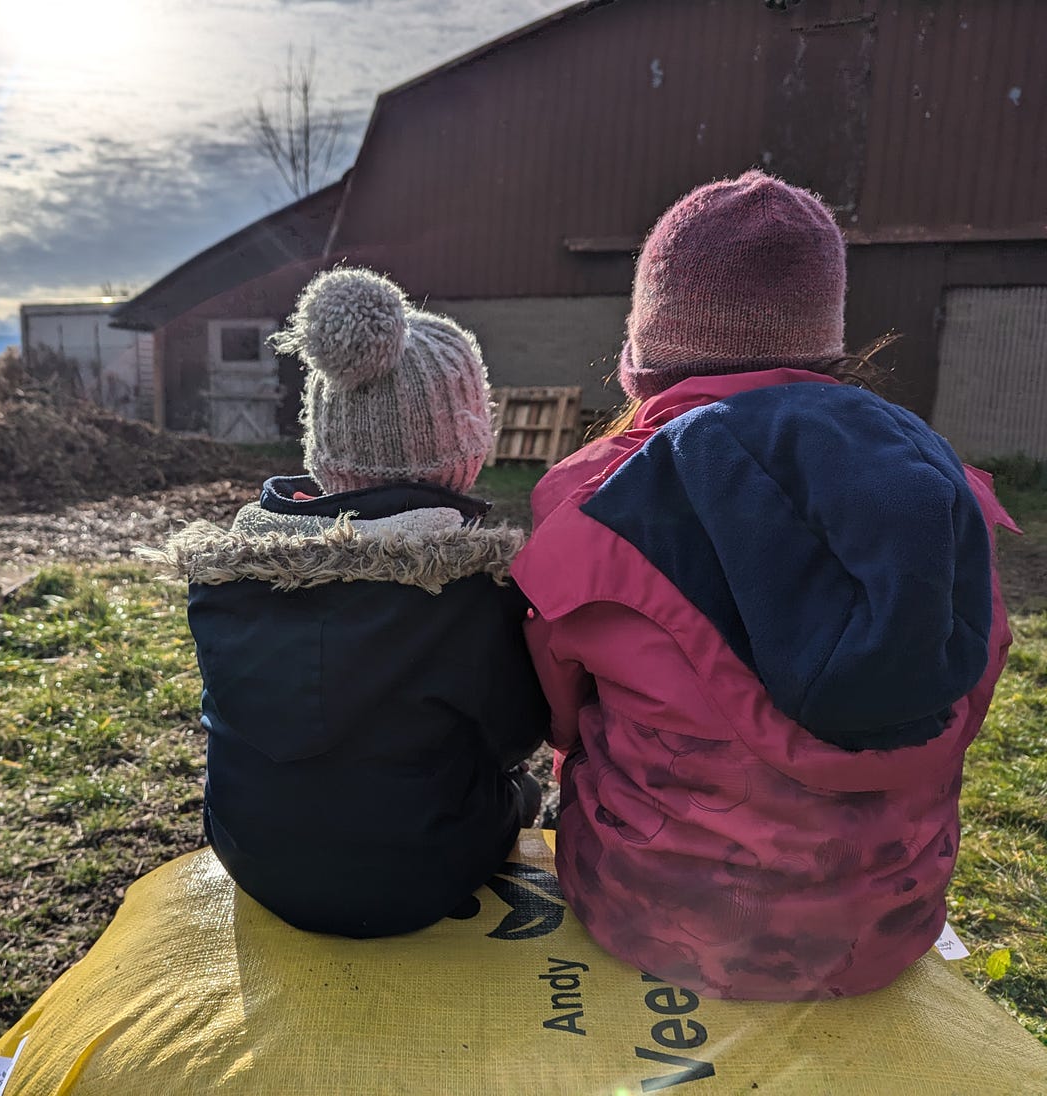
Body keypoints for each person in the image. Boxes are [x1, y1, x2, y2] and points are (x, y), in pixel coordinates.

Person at [512, 171, 1019, 1000]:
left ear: (644, 355)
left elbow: (561, 712)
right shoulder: (940, 493)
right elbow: (974, 688)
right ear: (825, 342)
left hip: (646, 913)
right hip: (887, 931)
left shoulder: (594, 504)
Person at [152, 266, 547, 938]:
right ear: (465, 444)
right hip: (422, 874)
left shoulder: (231, 574)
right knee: (522, 793)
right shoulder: (467, 589)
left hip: (252, 857)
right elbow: (515, 735)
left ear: (324, 444)